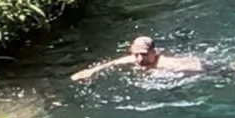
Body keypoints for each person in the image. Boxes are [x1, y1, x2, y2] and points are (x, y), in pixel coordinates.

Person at [71, 34, 204, 84]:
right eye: (136, 54)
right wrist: (91, 72)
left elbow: (196, 66)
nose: (139, 59)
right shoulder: (134, 59)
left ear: (154, 53)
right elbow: (113, 63)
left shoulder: (166, 63)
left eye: (144, 54)